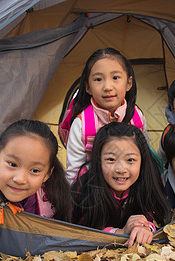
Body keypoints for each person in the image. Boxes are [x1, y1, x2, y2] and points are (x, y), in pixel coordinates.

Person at [71, 122, 171, 247]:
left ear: (142, 161)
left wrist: (145, 228)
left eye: (130, 160)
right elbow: (80, 232)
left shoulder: (147, 184)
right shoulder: (86, 187)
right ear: (98, 160)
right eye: (111, 159)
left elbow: (153, 218)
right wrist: (120, 232)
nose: (120, 169)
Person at [59, 48, 150, 183]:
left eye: (115, 78)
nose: (107, 86)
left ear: (129, 83)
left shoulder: (136, 117)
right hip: (93, 190)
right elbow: (74, 172)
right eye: (98, 79)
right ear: (88, 87)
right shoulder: (81, 124)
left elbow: (145, 157)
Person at [0, 119, 72, 221]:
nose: (20, 179)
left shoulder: (55, 200)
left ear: (47, 174)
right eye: (12, 164)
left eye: (34, 170)